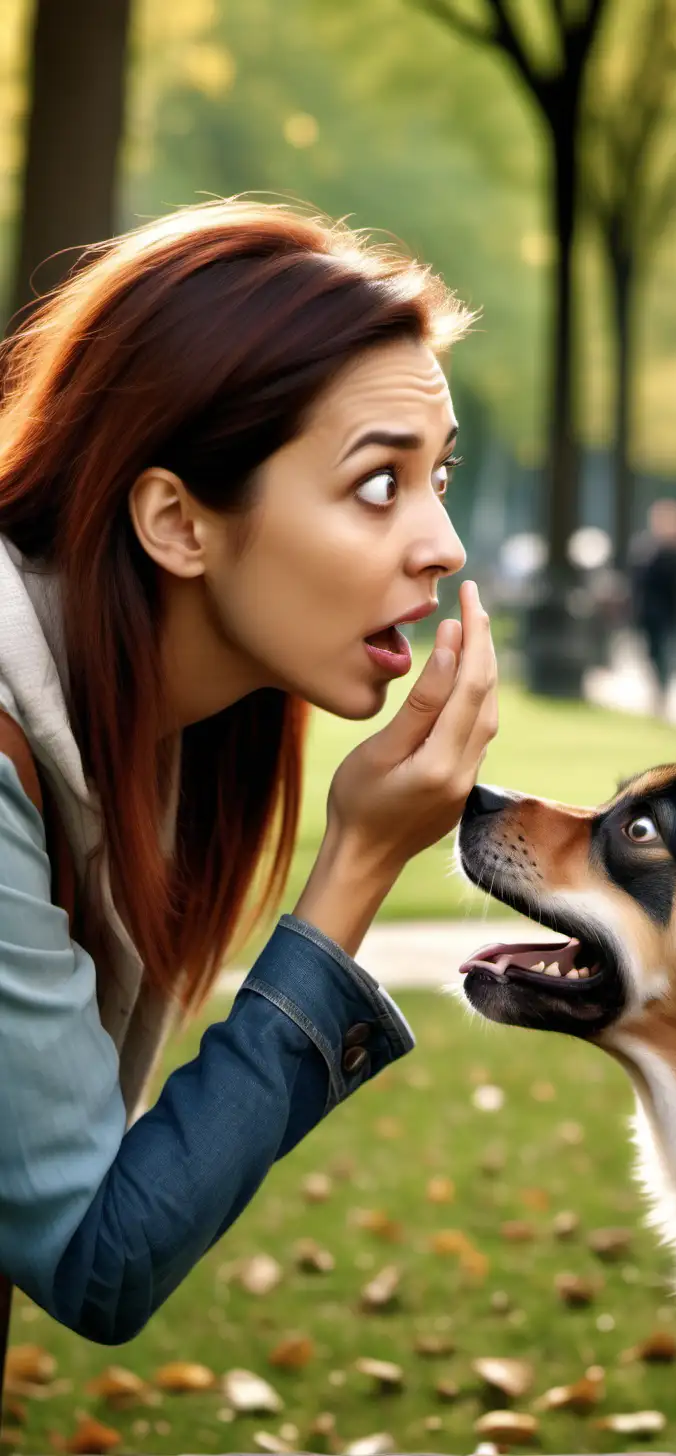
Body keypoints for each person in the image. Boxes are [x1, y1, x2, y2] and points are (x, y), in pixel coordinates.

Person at [0, 200, 498, 1344]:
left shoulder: (162, 729)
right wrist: (361, 859)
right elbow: (97, 1257)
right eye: (380, 483)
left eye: (441, 478)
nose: (442, 543)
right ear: (177, 520)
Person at [627, 498, 676, 717]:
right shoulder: (646, 549)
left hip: (669, 615)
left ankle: (662, 695)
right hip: (648, 614)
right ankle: (658, 694)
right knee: (652, 656)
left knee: (666, 656)